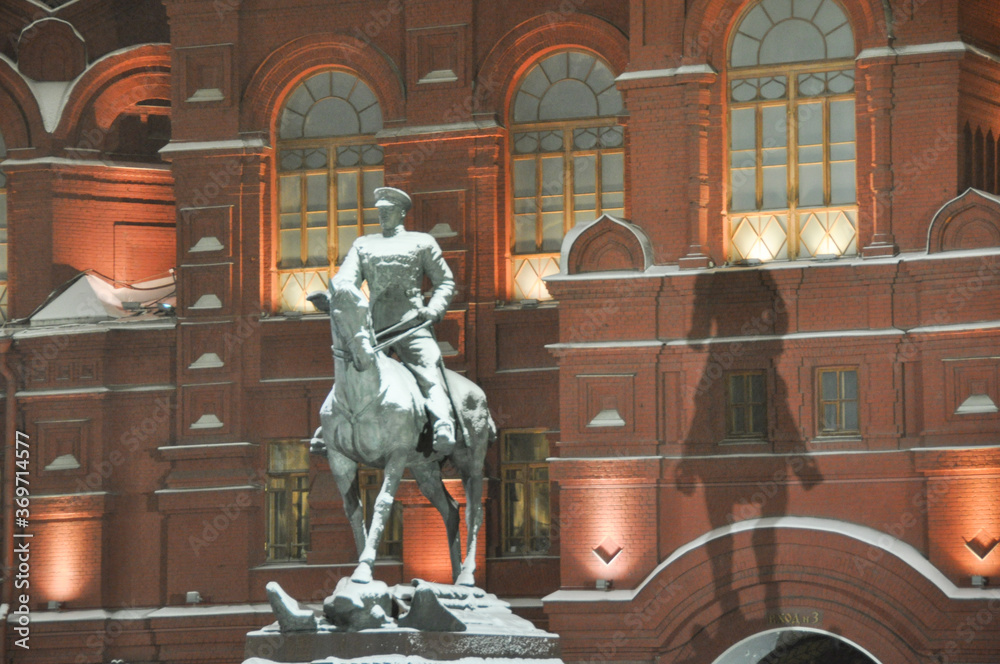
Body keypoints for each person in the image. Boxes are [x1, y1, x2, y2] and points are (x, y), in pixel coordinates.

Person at [331, 186, 457, 454]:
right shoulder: (364, 244)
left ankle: (443, 423)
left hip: (411, 323)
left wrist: (434, 309)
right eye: (380, 211)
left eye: (388, 211)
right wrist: (339, 289)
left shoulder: (421, 242)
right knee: (350, 369)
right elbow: (347, 279)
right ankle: (333, 423)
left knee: (428, 367)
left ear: (401, 213)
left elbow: (444, 281)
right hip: (374, 328)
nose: (383, 216)